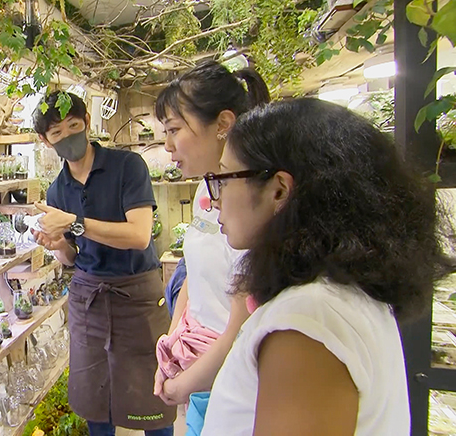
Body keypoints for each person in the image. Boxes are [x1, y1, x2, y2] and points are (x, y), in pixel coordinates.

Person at [201, 98, 456, 435]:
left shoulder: (306, 322)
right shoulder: (338, 295)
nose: (211, 198)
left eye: (223, 178)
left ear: (279, 190)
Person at [30, 91, 175, 436]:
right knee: (95, 399)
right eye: (57, 133)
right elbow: (71, 256)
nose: (68, 136)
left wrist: (75, 223)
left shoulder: (127, 166)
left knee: (152, 395)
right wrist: (57, 245)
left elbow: (139, 235)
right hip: (89, 299)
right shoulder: (56, 191)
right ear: (45, 141)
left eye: (74, 125)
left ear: (88, 123)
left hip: (136, 295)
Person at [152, 59, 271, 426]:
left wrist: (184, 384)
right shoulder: (209, 186)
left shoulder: (253, 203)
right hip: (199, 369)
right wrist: (171, 353)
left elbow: (241, 322)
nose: (167, 145)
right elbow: (195, 277)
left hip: (232, 376)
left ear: (222, 124)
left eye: (174, 129)